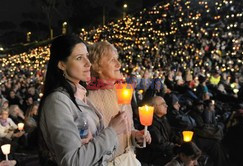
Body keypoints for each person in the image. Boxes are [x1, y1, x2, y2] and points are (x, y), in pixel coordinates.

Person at [39, 34, 128, 166]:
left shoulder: (80, 95)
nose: (88, 63)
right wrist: (112, 131)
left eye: (87, 56)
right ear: (62, 65)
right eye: (79, 58)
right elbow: (72, 161)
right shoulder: (57, 102)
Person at [87, 41, 151, 164]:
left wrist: (136, 136)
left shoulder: (122, 90)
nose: (119, 64)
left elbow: (128, 130)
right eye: (112, 60)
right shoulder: (89, 98)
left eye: (117, 59)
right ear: (96, 66)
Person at [136, 96, 180, 165]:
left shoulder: (163, 119)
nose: (166, 106)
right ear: (153, 107)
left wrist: (179, 140)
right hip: (154, 159)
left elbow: (171, 134)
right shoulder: (149, 123)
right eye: (163, 104)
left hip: (165, 153)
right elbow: (159, 144)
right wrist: (175, 147)